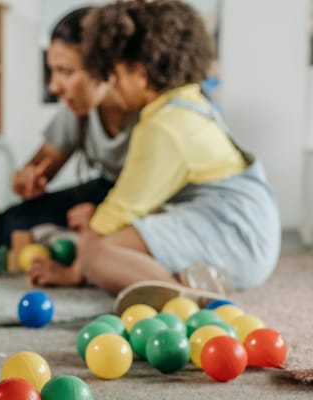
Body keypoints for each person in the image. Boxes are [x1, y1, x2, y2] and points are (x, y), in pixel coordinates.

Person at [30, 0, 280, 307]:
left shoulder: (162, 127)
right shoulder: (186, 103)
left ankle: (186, 301)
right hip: (241, 225)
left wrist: (74, 271)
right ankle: (192, 277)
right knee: (111, 243)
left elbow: (113, 217)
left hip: (234, 232)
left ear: (142, 73)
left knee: (98, 253)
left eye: (115, 75)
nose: (112, 84)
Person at [0, 6, 137, 248]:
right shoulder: (77, 109)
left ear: (104, 67)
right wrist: (27, 177)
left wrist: (104, 217)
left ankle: (82, 247)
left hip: (146, 199)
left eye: (65, 72)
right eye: (53, 71)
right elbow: (43, 163)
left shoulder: (148, 111)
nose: (53, 87)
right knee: (11, 221)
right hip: (106, 188)